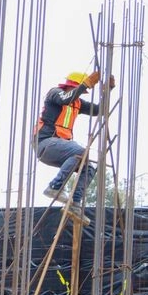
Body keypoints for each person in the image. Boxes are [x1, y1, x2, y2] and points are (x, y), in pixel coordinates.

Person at [35, 69, 115, 214]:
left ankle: (75, 203)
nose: (81, 93)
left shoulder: (77, 103)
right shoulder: (55, 93)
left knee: (88, 168)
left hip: (60, 148)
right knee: (80, 151)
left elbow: (99, 110)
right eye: (81, 89)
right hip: (45, 144)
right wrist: (85, 84)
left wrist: (107, 91)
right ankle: (55, 186)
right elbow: (65, 99)